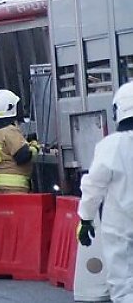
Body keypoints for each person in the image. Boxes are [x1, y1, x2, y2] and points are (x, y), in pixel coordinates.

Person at [77, 81, 133, 302]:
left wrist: (86, 219)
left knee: (123, 286)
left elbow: (93, 186)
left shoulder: (110, 146)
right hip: (119, 229)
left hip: (119, 229)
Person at [0, 89, 38, 193]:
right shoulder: (10, 131)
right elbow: (23, 156)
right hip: (15, 186)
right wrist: (35, 147)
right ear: (10, 108)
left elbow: (7, 151)